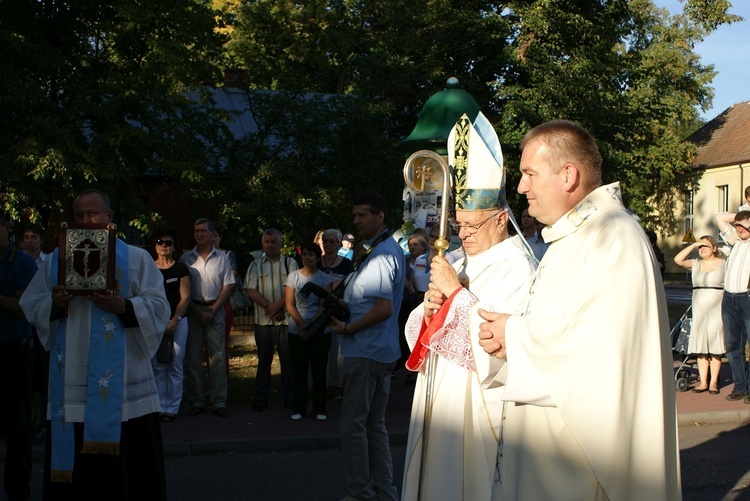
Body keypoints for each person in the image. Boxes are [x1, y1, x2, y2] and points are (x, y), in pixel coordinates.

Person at [476, 121, 681, 500]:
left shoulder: (612, 235)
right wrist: (509, 335)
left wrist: (515, 335)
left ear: (568, 175)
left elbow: (603, 350)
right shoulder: (572, 235)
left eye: (529, 174)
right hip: (546, 446)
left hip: (578, 461)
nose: (521, 188)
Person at [400, 112, 536, 501]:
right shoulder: (458, 259)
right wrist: (427, 310)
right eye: (459, 226)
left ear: (500, 220)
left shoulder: (518, 267)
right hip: (438, 397)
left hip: (477, 408)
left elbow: (500, 348)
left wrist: (456, 297)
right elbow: (427, 330)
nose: (465, 235)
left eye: (473, 226)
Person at [20, 188, 171, 499]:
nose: (86, 220)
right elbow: (32, 304)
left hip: (125, 386)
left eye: (93, 213)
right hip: (72, 383)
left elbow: (158, 307)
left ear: (109, 217)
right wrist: (57, 303)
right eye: (79, 215)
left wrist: (125, 307)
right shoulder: (56, 262)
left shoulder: (138, 258)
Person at [328, 194, 406, 501]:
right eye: (355, 215)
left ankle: (361, 494)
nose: (356, 221)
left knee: (354, 427)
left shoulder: (380, 255)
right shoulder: (382, 251)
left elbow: (383, 309)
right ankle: (384, 492)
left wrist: (347, 328)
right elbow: (372, 305)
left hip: (365, 351)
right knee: (375, 426)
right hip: (377, 351)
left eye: (362, 215)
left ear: (380, 216)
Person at [179, 218, 235, 418]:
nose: (200, 234)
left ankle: (219, 401)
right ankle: (197, 400)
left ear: (212, 234)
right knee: (193, 358)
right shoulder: (186, 258)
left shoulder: (223, 257)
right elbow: (182, 289)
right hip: (193, 311)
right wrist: (198, 311)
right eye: (197, 231)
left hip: (215, 310)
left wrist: (212, 310)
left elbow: (228, 286)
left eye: (203, 231)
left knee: (217, 358)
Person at [0, 213, 38, 501]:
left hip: (14, 352)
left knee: (18, 430)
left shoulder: (23, 262)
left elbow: (26, 307)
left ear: (6, 227)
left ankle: (18, 492)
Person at [245, 228, 298, 411]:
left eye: (274, 242)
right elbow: (251, 290)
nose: (270, 245)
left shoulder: (290, 263)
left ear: (281, 244)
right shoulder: (255, 265)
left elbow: (294, 287)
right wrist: (271, 307)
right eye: (267, 242)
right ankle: (261, 398)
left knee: (288, 361)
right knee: (264, 361)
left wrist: (276, 306)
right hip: (263, 322)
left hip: (286, 322)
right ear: (262, 244)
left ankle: (290, 398)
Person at [285, 241, 334, 420]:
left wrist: (312, 326)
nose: (307, 257)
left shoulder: (324, 279)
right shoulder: (293, 277)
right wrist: (302, 325)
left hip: (320, 330)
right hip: (297, 330)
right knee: (299, 370)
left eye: (311, 255)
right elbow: (289, 304)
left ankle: (319, 408)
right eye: (305, 254)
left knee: (319, 370)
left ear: (317, 257)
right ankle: (299, 408)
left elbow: (325, 305)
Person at [673, 236, 726, 394]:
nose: (702, 249)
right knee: (701, 345)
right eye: (700, 247)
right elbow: (678, 259)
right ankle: (703, 382)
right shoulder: (696, 264)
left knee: (715, 345)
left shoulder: (723, 264)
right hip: (699, 309)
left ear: (714, 248)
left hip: (717, 308)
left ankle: (714, 382)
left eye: (706, 246)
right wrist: (694, 244)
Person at [151, 229, 191, 421]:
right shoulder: (150, 268)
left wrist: (175, 319)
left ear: (174, 247)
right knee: (157, 364)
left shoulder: (180, 269)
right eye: (160, 242)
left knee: (175, 362)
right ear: (155, 246)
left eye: (168, 242)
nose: (164, 245)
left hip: (178, 321)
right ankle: (158, 405)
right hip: (155, 322)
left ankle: (172, 407)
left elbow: (185, 296)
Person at [715, 210, 750, 402]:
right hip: (729, 299)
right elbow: (719, 217)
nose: (740, 229)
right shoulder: (734, 242)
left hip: (747, 297)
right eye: (738, 226)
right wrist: (741, 220)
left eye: (745, 226)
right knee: (732, 346)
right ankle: (740, 387)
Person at [317, 228, 354, 399]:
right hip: (318, 310)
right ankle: (320, 384)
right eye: (326, 241)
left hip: (338, 311)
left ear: (339, 243)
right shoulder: (317, 262)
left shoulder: (346, 264)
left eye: (332, 241)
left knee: (337, 351)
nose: (329, 244)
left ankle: (337, 385)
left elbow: (351, 286)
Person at [212, 227, 239, 376]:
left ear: (220, 237)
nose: (213, 238)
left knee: (222, 344)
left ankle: (223, 378)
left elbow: (231, 279)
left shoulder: (228, 255)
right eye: (212, 235)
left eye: (216, 235)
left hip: (224, 302)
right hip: (204, 305)